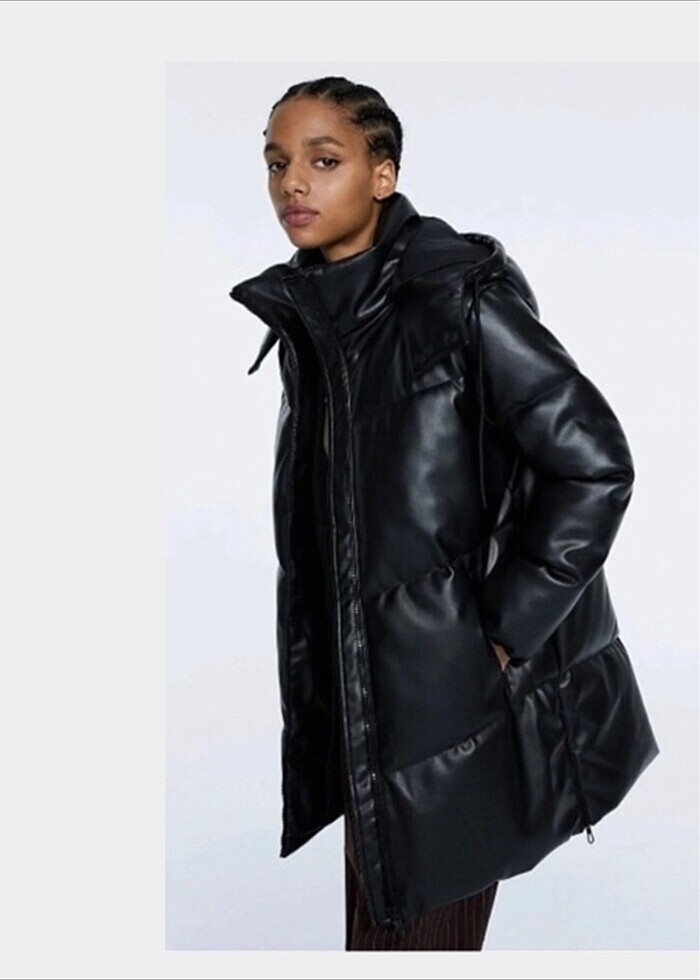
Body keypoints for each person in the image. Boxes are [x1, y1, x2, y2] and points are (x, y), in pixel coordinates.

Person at [229, 76, 659, 951]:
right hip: (373, 712)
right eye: (277, 163)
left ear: (383, 175)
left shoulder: (456, 297)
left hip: (458, 710)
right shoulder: (322, 314)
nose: (292, 183)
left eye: (324, 160)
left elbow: (594, 464)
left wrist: (504, 629)